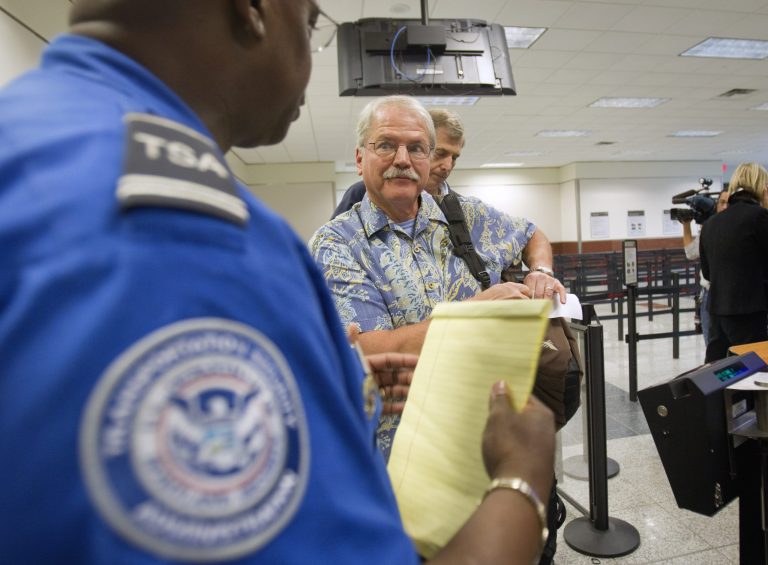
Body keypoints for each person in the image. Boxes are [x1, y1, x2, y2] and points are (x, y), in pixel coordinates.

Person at [0, 1, 557, 564]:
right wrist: (521, 481)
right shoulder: (190, 231)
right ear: (253, 10)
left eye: (419, 149)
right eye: (311, 21)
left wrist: (339, 388)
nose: (405, 160)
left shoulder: (33, 138)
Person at [310, 95, 566, 564]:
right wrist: (476, 310)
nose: (403, 160)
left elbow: (533, 232)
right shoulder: (336, 244)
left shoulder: (463, 217)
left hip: (495, 446)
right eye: (386, 145)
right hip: (407, 474)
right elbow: (365, 348)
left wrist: (541, 270)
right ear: (360, 157)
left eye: (417, 148)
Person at [330, 106, 566, 304]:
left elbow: (530, 233)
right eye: (440, 154)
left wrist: (541, 272)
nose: (447, 165)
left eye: (454, 157)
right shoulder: (361, 197)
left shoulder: (463, 209)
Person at [701, 163, 768, 362]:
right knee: (752, 372)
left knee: (719, 372)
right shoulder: (759, 217)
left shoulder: (712, 223)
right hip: (750, 312)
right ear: (762, 187)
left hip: (717, 312)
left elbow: (707, 273)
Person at [681, 188, 729, 346]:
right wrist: (686, 225)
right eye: (722, 202)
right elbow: (691, 253)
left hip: (733, 293)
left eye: (729, 203)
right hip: (710, 293)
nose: (725, 207)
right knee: (712, 346)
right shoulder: (710, 228)